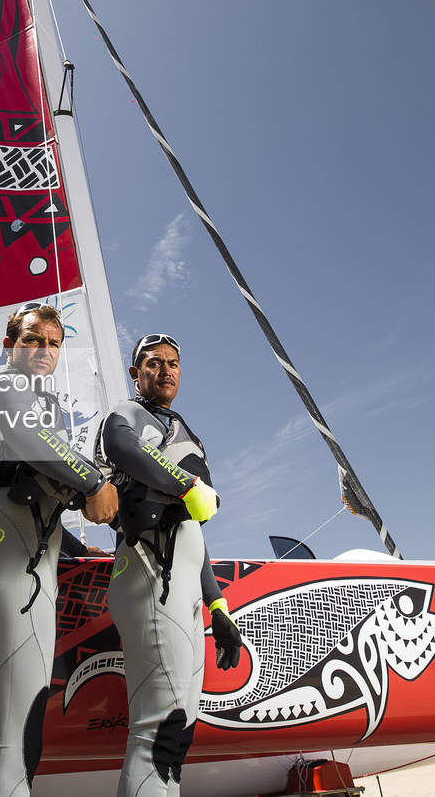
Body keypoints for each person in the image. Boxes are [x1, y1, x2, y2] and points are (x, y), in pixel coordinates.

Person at [0, 305, 119, 797]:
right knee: (16, 739)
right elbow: (30, 439)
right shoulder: (9, 389)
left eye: (54, 342)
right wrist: (93, 482)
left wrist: (82, 550)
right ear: (9, 345)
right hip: (17, 578)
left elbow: (36, 496)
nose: (44, 350)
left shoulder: (30, 402)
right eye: (32, 340)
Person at [99, 334, 243, 797]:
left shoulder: (183, 428)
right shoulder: (128, 414)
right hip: (147, 567)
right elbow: (121, 447)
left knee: (179, 731)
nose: (165, 370)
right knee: (160, 727)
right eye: (153, 362)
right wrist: (186, 487)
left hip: (181, 577)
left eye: (173, 363)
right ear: (135, 371)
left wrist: (218, 607)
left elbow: (193, 534)